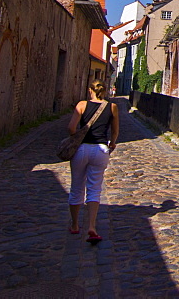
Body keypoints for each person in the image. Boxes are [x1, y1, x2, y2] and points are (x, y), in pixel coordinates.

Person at [66, 78, 119, 243]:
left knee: (76, 187)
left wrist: (76, 136)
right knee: (94, 188)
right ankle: (92, 226)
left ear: (90, 90)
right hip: (101, 149)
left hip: (81, 149)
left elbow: (71, 128)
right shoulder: (112, 107)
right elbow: (115, 131)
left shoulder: (81, 105)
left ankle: (75, 225)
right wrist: (112, 144)